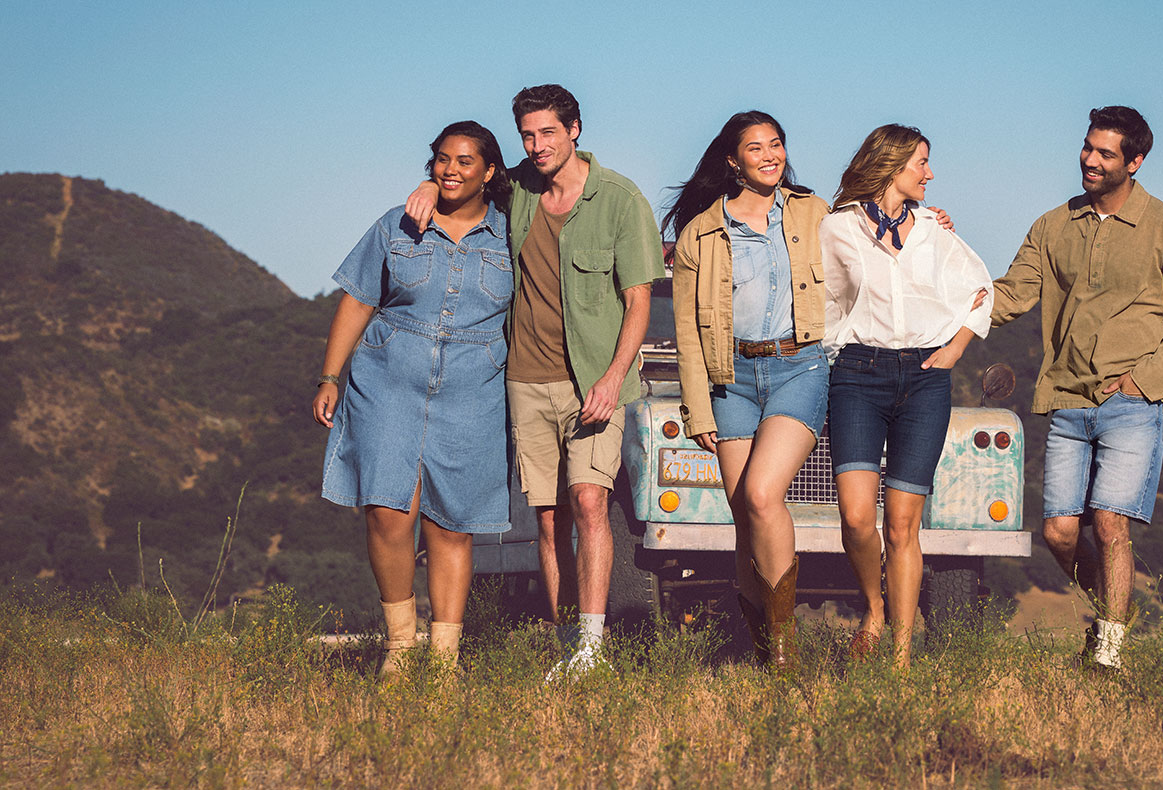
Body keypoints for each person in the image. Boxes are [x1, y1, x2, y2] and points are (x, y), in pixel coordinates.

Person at [407, 85, 664, 678]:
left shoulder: (621, 199)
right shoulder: (518, 188)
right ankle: (563, 644)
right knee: (548, 518)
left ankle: (592, 651)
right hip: (526, 378)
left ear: (575, 130)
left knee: (590, 500)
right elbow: (462, 177)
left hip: (596, 382)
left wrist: (613, 376)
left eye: (548, 132)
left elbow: (639, 299)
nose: (537, 145)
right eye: (527, 134)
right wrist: (427, 184)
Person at [989, 106, 1163, 669]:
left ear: (1134, 163)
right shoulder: (1052, 226)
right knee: (1059, 533)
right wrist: (933, 277)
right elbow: (1010, 295)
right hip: (1067, 399)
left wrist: (1146, 383)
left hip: (1133, 402)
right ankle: (1113, 611)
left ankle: (1108, 653)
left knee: (1112, 524)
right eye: (1088, 147)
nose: (1090, 160)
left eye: (1106, 153)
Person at [312, 120, 514, 676]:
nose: (451, 170)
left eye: (465, 161)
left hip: (474, 388)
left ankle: (445, 662)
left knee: (451, 524)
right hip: (387, 380)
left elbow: (549, 177)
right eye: (442, 161)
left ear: (490, 171)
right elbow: (357, 300)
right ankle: (400, 648)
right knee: (387, 513)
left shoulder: (513, 233)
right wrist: (330, 376)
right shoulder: (394, 225)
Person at [821, 124, 993, 667]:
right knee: (854, 517)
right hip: (857, 375)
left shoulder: (935, 233)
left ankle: (899, 658)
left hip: (924, 380)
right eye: (922, 162)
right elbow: (822, 301)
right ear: (892, 165)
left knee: (902, 524)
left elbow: (981, 290)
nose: (930, 173)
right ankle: (873, 606)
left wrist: (956, 348)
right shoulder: (837, 229)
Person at [665, 111, 830, 669]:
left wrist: (927, 226)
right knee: (745, 515)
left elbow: (869, 245)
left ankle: (782, 651)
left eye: (777, 144)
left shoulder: (811, 212)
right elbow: (688, 331)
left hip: (797, 367)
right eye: (755, 147)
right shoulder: (701, 233)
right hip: (728, 378)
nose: (770, 154)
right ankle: (760, 648)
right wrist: (697, 409)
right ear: (733, 161)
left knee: (762, 496)